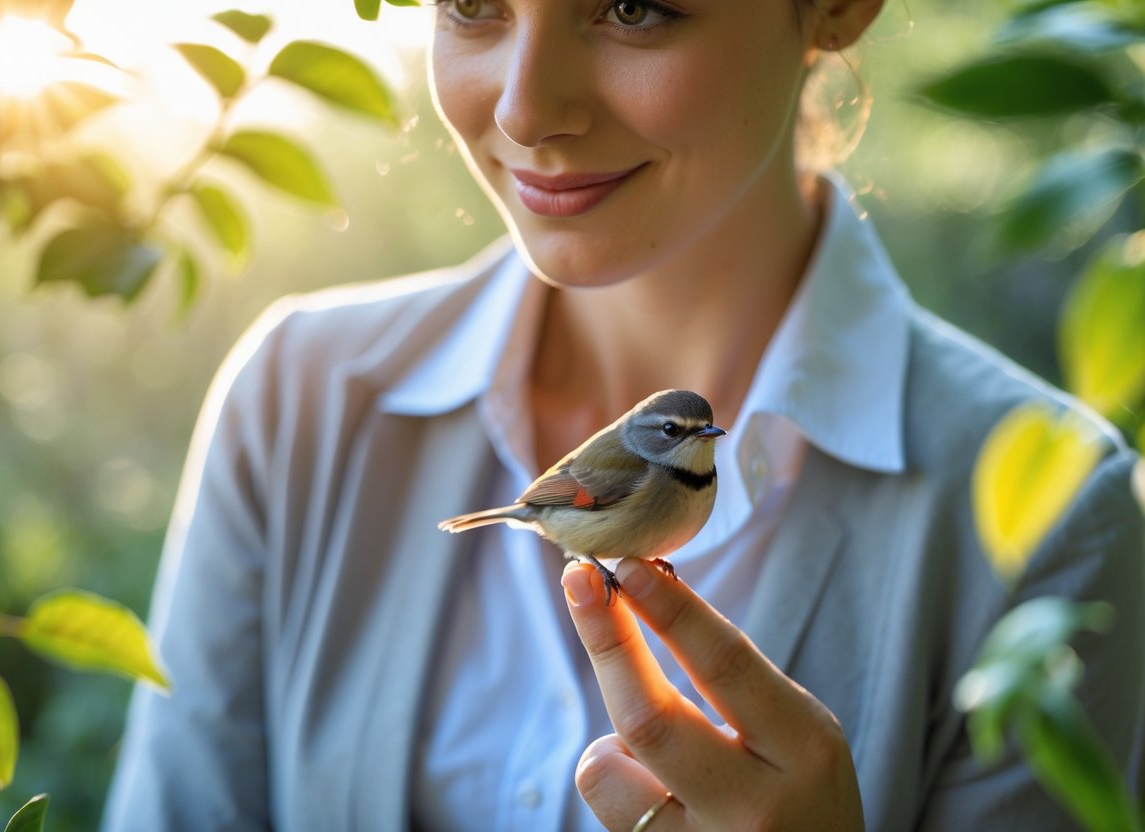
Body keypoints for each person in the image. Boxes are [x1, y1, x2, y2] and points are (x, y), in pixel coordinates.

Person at [102, 0, 1145, 829]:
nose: (524, 108)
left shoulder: (1057, 515)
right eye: (471, 4)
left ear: (836, 7)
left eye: (634, 8)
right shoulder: (293, 402)